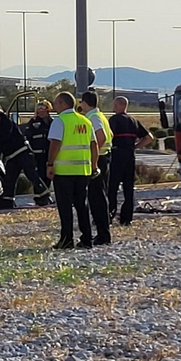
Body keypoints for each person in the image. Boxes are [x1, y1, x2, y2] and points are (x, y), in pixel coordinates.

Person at [47, 91, 95, 249]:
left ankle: (67, 239)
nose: (54, 107)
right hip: (83, 170)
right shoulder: (86, 121)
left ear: (63, 104)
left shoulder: (60, 121)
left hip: (64, 171)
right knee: (82, 205)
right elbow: (94, 145)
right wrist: (94, 165)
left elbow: (55, 143)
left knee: (65, 207)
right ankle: (87, 239)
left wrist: (50, 164)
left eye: (56, 103)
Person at [0, 105, 49, 205]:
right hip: (12, 157)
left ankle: (44, 196)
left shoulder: (6, 124)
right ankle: (8, 201)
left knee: (32, 176)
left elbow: (2, 137)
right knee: (9, 179)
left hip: (22, 153)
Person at [105, 96, 150, 225]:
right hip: (130, 156)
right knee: (128, 188)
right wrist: (135, 146)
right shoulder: (134, 121)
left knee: (112, 188)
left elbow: (109, 135)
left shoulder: (114, 120)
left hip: (117, 155)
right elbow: (148, 137)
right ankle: (127, 218)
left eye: (114, 105)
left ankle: (110, 214)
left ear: (118, 106)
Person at [78, 92, 113, 246]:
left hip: (99, 160)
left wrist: (94, 155)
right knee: (98, 198)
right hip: (104, 158)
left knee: (97, 199)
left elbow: (102, 136)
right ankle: (102, 233)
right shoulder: (100, 115)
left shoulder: (93, 117)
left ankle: (103, 235)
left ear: (85, 103)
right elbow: (110, 134)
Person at [23, 101, 54, 197]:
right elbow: (27, 137)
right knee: (38, 176)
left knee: (48, 176)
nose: (41, 112)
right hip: (37, 155)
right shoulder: (33, 123)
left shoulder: (52, 123)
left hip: (49, 154)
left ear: (48, 110)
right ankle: (39, 196)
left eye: (43, 109)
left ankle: (46, 195)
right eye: (39, 109)